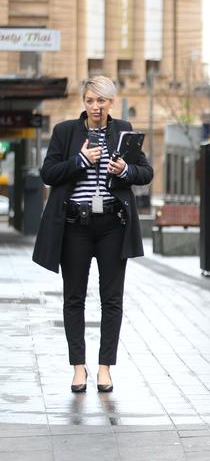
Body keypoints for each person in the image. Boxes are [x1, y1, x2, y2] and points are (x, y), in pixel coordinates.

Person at [32, 76, 153, 393]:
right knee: (74, 298)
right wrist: (80, 160)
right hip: (75, 225)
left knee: (111, 299)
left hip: (113, 225)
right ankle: (78, 368)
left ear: (111, 102)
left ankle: (104, 369)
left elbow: (146, 172)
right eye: (89, 100)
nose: (95, 107)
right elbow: (49, 174)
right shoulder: (65, 132)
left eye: (101, 101)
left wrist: (124, 170)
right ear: (83, 102)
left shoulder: (123, 131)